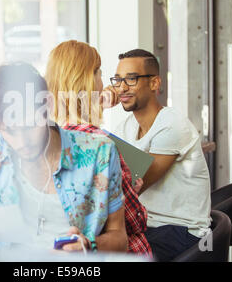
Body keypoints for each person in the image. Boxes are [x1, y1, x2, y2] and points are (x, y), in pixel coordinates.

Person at [0, 62, 128, 253]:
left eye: (29, 126)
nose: (21, 142)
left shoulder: (100, 154)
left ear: (48, 105)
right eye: (9, 131)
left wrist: (89, 246)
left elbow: (120, 238)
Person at [45, 40, 152, 256]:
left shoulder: (46, 139)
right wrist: (129, 191)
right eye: (99, 74)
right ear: (88, 80)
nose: (104, 83)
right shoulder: (100, 143)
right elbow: (136, 221)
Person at [103, 49, 212, 261]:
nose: (122, 88)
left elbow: (135, 185)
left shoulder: (172, 124)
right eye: (118, 80)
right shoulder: (125, 127)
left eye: (131, 79)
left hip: (182, 233)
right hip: (147, 227)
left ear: (154, 83)